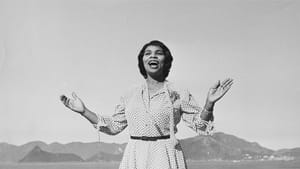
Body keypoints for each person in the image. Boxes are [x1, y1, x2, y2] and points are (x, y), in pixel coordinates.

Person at [60, 40, 233, 169]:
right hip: (135, 156)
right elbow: (113, 127)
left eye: (158, 53)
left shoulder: (178, 92)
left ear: (166, 60)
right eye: (147, 53)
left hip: (165, 155)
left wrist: (209, 104)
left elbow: (200, 127)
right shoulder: (129, 94)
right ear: (142, 61)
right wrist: (84, 111)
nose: (152, 55)